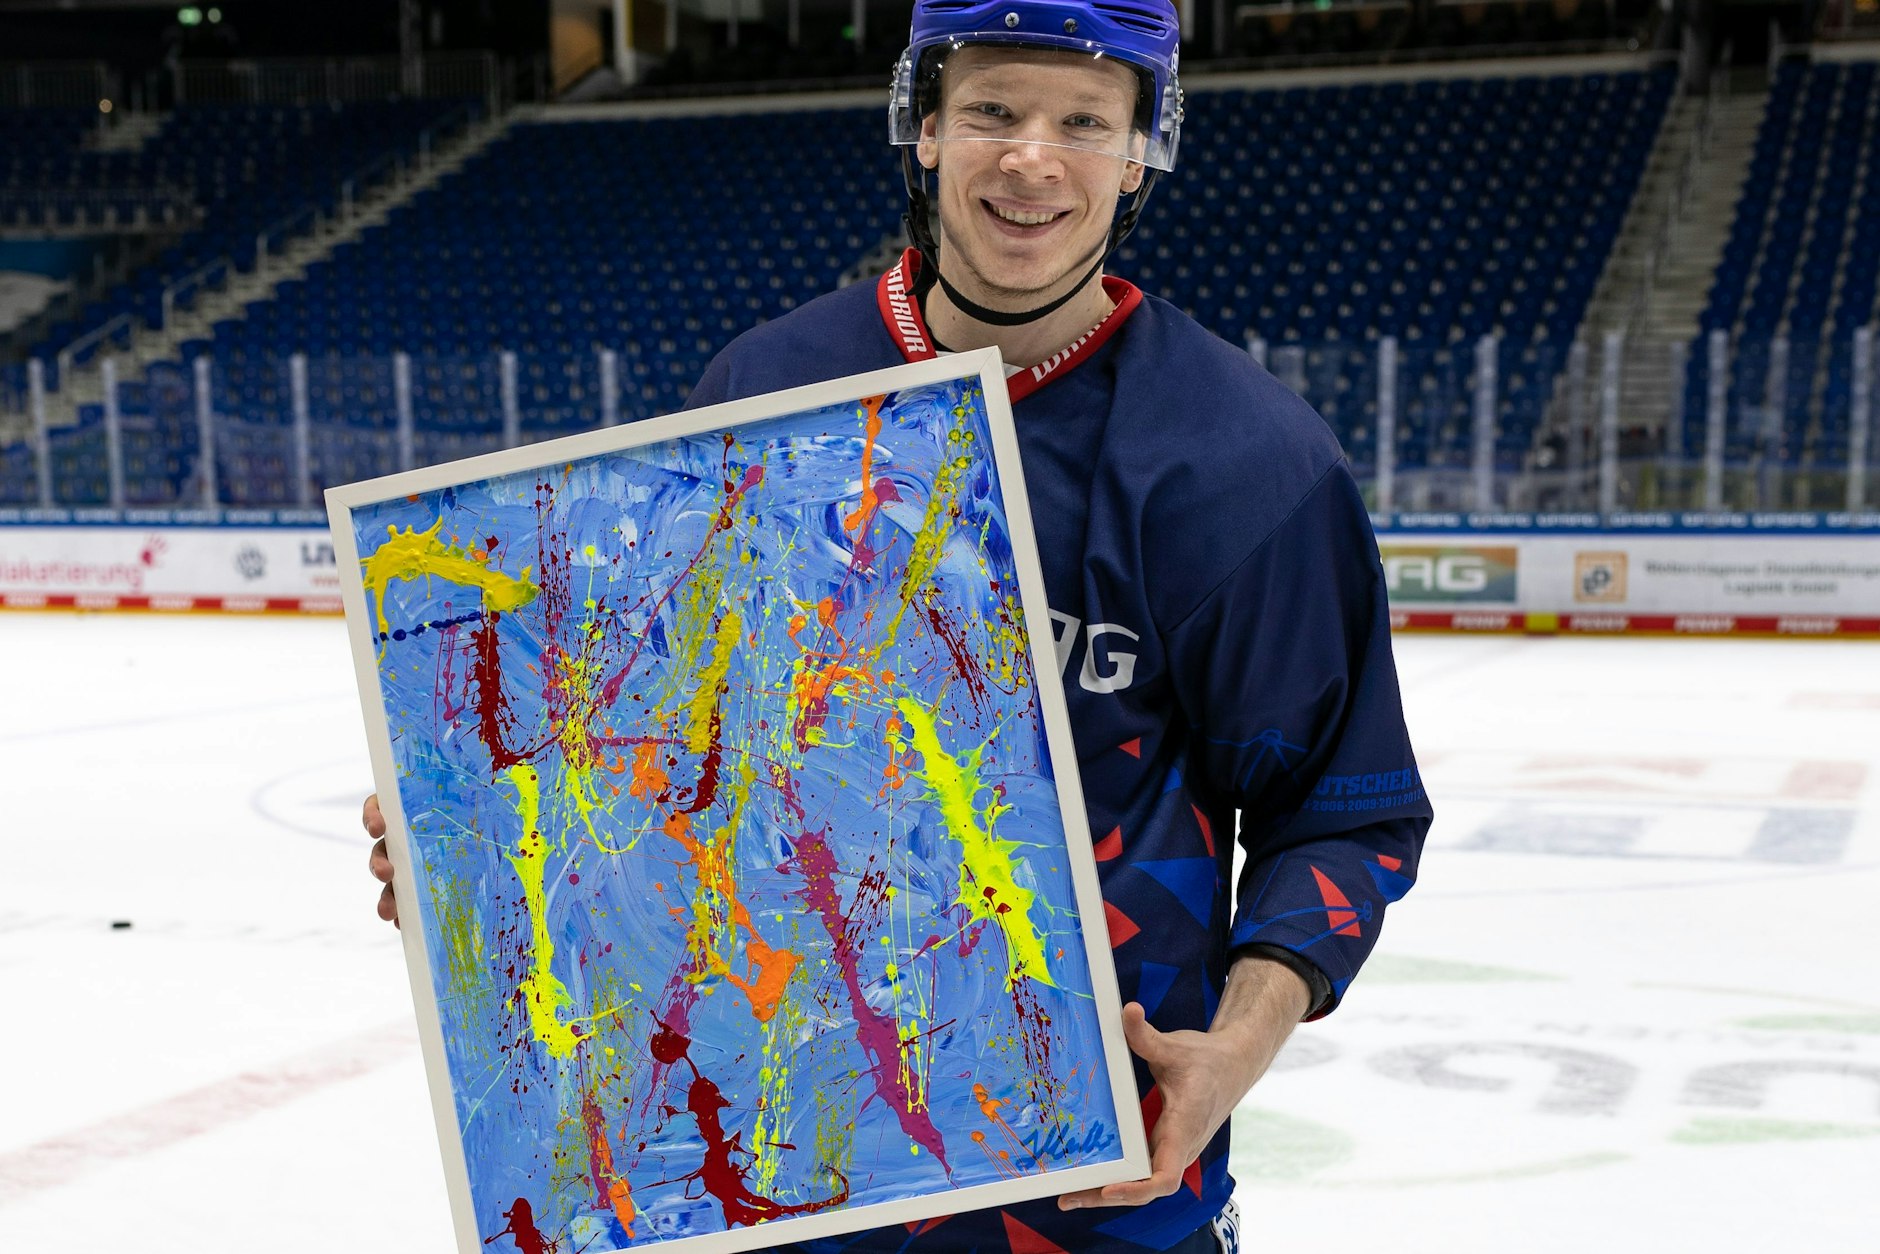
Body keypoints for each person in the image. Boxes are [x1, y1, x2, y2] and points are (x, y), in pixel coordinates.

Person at [367, 2, 1431, 1249]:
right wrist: (486, 830)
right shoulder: (765, 390)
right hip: (774, 1174)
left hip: (1090, 1193)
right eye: (990, 111)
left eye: (1083, 123)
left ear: (1141, 152)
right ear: (923, 127)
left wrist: (1235, 1049)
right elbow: (659, 745)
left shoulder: (1246, 466)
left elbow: (1345, 812)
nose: (1030, 159)